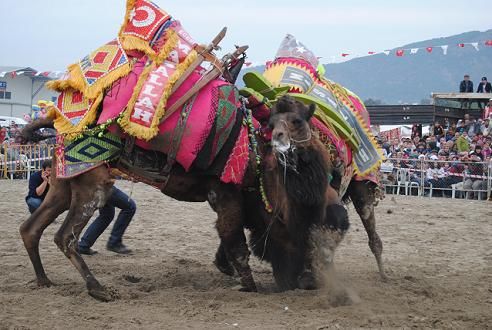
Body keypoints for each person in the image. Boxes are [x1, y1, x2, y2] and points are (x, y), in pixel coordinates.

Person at [78, 186, 136, 255]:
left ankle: (84, 245)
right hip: (101, 183)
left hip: (93, 184)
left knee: (107, 214)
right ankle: (114, 243)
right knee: (130, 206)